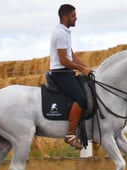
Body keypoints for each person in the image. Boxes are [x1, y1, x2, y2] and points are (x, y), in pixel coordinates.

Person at [49, 4, 93, 150]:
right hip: (61, 73)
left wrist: (87, 67)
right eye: (74, 15)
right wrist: (81, 69)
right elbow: (64, 60)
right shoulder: (60, 34)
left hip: (66, 71)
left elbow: (71, 55)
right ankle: (70, 134)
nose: (76, 18)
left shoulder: (65, 32)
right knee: (81, 98)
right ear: (65, 16)